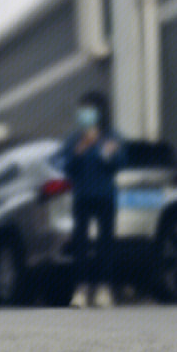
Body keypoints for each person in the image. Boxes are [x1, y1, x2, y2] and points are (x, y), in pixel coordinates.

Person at [55, 91, 125, 308]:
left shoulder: (112, 137)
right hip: (82, 197)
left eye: (90, 110)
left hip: (105, 196)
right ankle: (81, 289)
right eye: (83, 110)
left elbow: (120, 163)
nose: (85, 114)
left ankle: (104, 288)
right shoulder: (75, 139)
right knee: (81, 245)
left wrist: (106, 153)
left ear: (100, 112)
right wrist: (79, 151)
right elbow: (65, 167)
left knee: (105, 244)